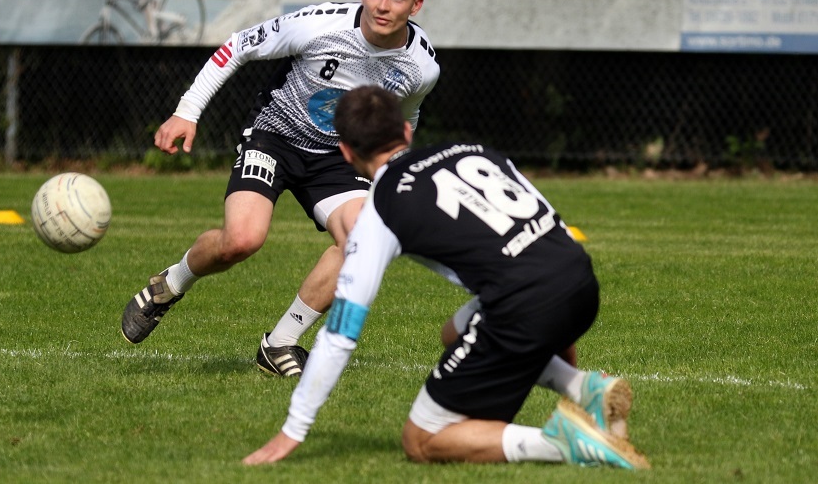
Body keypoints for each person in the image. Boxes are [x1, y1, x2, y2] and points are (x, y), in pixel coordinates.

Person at [242, 86, 650, 469]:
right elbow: (550, 228)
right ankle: (585, 389)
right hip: (578, 279)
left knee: (421, 440)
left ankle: (563, 442)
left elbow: (341, 333)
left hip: (523, 303)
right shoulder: (473, 149)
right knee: (454, 332)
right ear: (406, 131)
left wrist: (293, 428)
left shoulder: (380, 208)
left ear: (346, 151)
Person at [121, 0, 440, 379]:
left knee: (362, 242)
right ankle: (170, 284)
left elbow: (405, 116)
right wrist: (187, 112)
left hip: (339, 158)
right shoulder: (319, 25)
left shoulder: (421, 66)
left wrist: (391, 168)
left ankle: (279, 343)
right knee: (241, 241)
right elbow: (237, 46)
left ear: (416, 5)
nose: (383, 6)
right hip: (275, 136)